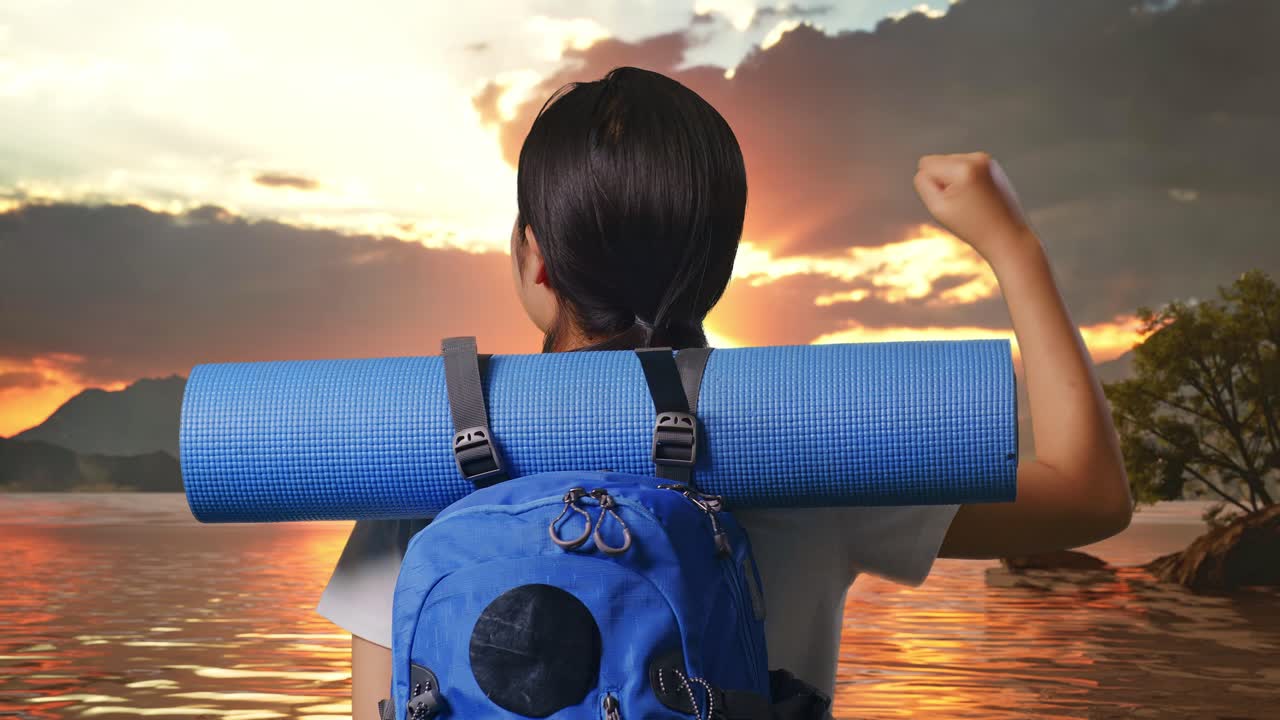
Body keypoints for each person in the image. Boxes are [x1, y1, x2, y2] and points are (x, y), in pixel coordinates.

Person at [316, 66, 1133, 719]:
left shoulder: (426, 470)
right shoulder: (811, 454)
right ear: (720, 266)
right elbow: (1090, 495)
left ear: (533, 259)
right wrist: (1013, 245)